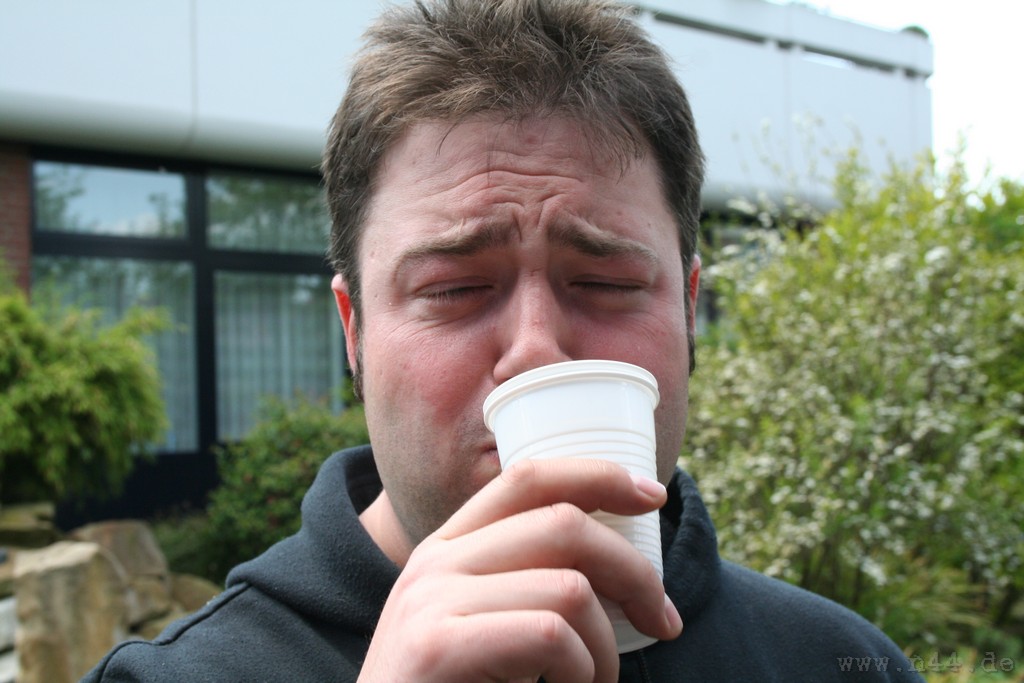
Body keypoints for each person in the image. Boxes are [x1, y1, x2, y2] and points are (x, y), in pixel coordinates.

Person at [83, 0, 922, 681]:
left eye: (606, 283)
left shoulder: (843, 664)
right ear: (355, 332)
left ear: (689, 313)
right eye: (454, 288)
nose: (535, 351)